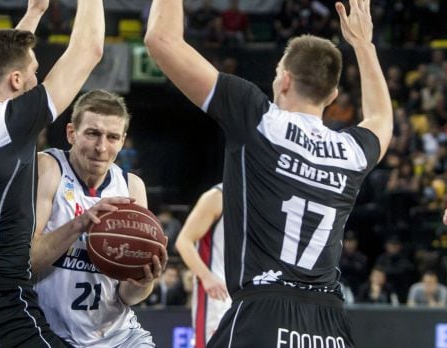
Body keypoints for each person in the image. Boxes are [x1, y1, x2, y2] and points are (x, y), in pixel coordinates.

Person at [145, 0, 392, 346]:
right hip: (330, 323)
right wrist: (364, 45)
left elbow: (162, 41)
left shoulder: (258, 118)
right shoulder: (351, 151)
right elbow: (382, 120)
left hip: (264, 311)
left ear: (285, 80)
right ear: (333, 94)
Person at [0, 0, 106, 345]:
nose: (38, 77)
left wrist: (34, 12)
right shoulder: (9, 123)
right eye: (34, 71)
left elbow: (0, 62)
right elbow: (89, 50)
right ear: (16, 81)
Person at [31, 90, 160, 347]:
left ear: (123, 141)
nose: (101, 147)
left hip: (119, 336)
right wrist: (81, 223)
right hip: (51, 335)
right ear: (71, 133)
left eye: (112, 137)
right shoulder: (48, 168)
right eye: (92, 133)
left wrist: (144, 281)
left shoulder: (131, 187)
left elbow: (128, 296)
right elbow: (26, 261)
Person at [175, 184, 231, 348]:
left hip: (243, 290)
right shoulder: (217, 197)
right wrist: (206, 277)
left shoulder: (256, 201)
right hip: (216, 290)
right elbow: (183, 241)